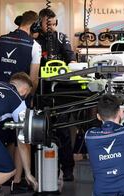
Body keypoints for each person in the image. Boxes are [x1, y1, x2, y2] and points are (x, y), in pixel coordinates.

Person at [0, 11, 42, 193]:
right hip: (20, 98)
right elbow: (34, 80)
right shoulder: (34, 46)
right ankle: (17, 180)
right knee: (22, 137)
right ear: (34, 26)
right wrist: (29, 98)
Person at [36, 8, 76, 181]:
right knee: (39, 130)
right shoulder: (35, 40)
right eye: (48, 23)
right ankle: (40, 170)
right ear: (40, 23)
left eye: (54, 23)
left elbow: (72, 59)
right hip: (41, 90)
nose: (51, 27)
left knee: (63, 131)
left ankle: (67, 169)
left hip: (61, 91)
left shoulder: (61, 38)